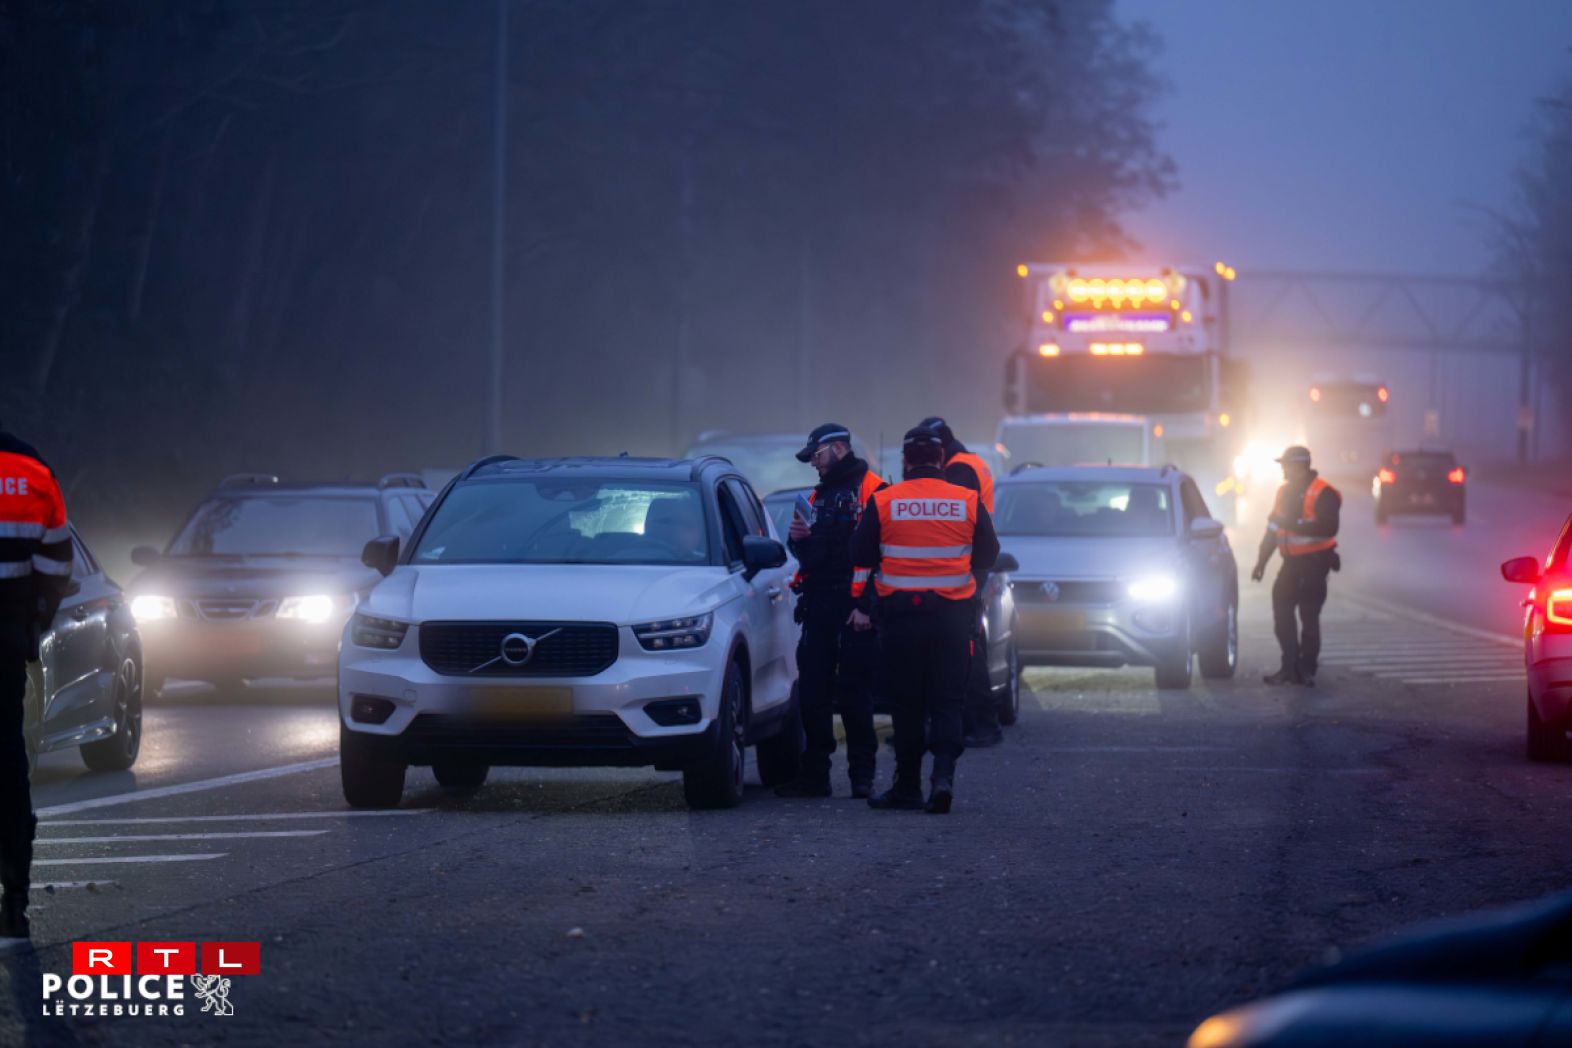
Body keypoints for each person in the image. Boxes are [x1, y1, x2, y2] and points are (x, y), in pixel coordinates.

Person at [850, 426, 998, 813]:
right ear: (940, 459)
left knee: (908, 704)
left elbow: (861, 553)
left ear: (906, 460)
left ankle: (907, 786)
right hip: (952, 619)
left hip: (901, 622)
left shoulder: (885, 500)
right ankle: (943, 778)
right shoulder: (966, 500)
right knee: (948, 701)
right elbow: (988, 554)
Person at [774, 424, 886, 799]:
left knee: (856, 695)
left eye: (817, 457)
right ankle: (815, 776)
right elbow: (809, 557)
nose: (814, 466)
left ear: (838, 449)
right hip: (820, 605)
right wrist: (798, 540)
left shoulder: (876, 492)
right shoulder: (814, 497)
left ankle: (863, 776)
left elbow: (887, 559)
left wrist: (867, 607)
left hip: (856, 611)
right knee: (812, 693)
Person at [0, 421, 73, 938]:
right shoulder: (31, 471)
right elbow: (55, 562)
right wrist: (34, 621)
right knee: (6, 763)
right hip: (3, 639)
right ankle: (14, 903)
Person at [918, 416, 1002, 748]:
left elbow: (950, 519)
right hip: (969, 567)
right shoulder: (971, 463)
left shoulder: (958, 472)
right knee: (967, 649)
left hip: (960, 571)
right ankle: (975, 724)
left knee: (967, 652)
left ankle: (982, 724)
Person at [1251, 445, 1341, 687]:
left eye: (1286, 465)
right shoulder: (1283, 492)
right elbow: (1273, 529)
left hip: (1314, 564)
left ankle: (1307, 669)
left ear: (1300, 466)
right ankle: (1289, 667)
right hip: (1291, 564)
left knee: (1308, 616)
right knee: (1281, 610)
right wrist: (1261, 562)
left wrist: (1291, 523)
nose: (1282, 469)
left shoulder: (1324, 493)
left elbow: (1329, 528)